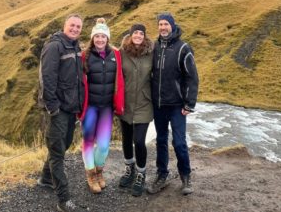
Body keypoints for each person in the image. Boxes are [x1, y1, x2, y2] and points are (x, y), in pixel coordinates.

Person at [37, 13, 86, 212]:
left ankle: (46, 178)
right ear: (64, 26)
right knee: (58, 153)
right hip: (57, 109)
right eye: (72, 25)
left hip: (69, 108)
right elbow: (47, 78)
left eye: (78, 26)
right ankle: (64, 200)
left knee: (63, 145)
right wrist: (53, 107)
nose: (75, 29)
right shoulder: (54, 46)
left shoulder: (74, 47)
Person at [148, 12, 199, 196]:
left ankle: (185, 176)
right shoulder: (154, 47)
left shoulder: (183, 48)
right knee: (161, 141)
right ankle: (162, 175)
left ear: (172, 25)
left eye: (166, 24)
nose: (163, 27)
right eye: (160, 24)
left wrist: (189, 103)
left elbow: (192, 78)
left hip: (177, 105)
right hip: (159, 105)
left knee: (179, 142)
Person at [80, 18, 124, 194]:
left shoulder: (116, 55)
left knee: (104, 144)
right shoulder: (85, 56)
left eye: (103, 36)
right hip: (90, 107)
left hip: (106, 107)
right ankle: (90, 174)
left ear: (107, 38)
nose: (100, 40)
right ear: (92, 38)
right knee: (88, 141)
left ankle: (99, 172)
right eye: (97, 36)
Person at [118, 23, 154, 197]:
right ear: (130, 35)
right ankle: (129, 169)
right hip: (125, 103)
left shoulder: (151, 53)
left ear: (145, 36)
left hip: (144, 103)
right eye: (135, 33)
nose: (138, 35)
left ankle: (141, 173)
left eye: (141, 33)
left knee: (139, 141)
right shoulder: (122, 53)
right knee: (126, 139)